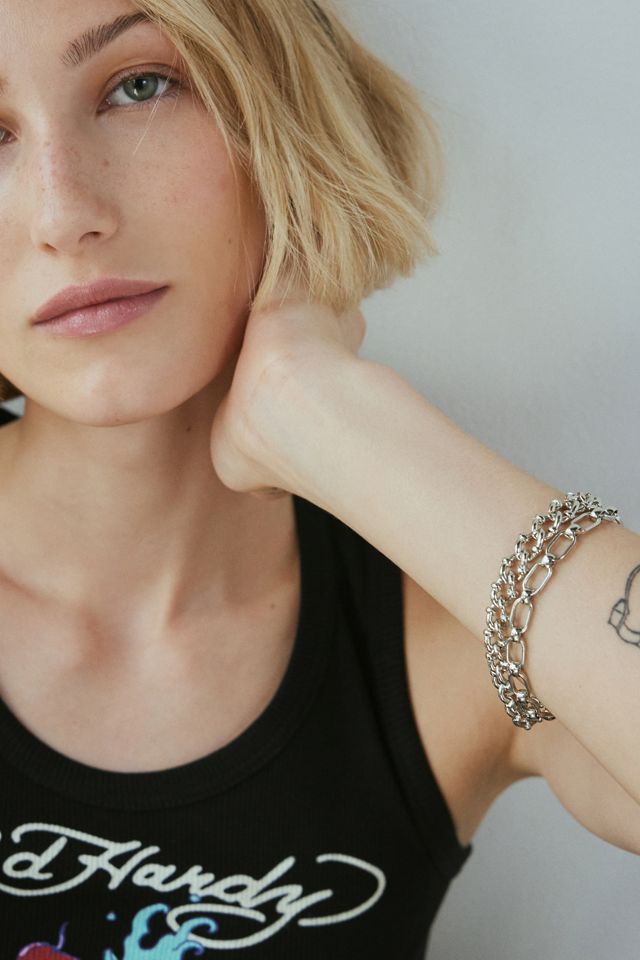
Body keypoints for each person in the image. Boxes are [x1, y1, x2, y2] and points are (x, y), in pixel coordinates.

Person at [0, 2, 638, 958]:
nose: (65, 215)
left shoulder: (449, 637)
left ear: (279, 113)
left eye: (140, 86)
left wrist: (328, 413)